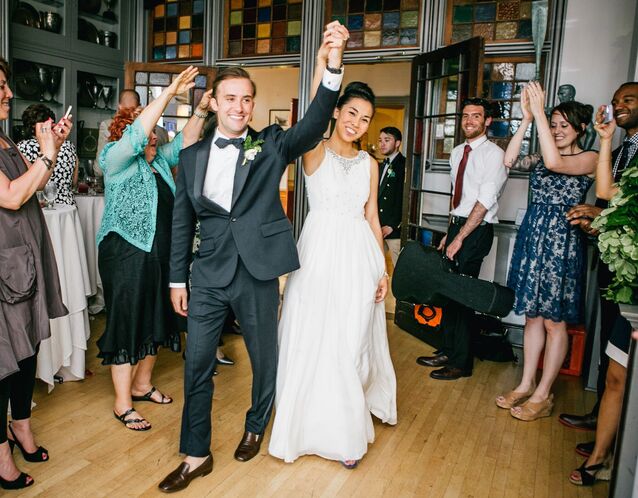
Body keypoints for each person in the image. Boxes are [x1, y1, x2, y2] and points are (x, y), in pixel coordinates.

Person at [160, 21, 348, 493]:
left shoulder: (271, 145)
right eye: (230, 98)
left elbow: (313, 124)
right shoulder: (191, 157)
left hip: (258, 270)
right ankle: (195, 453)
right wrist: (176, 280)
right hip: (206, 275)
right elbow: (183, 222)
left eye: (247, 99)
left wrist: (332, 65)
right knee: (198, 362)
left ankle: (255, 423)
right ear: (215, 102)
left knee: (265, 359)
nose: (239, 107)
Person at [269, 74, 397, 467]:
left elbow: (372, 216)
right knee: (312, 333)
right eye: (350, 113)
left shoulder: (370, 164)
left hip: (359, 255)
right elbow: (312, 114)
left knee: (349, 338)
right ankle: (306, 423)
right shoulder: (314, 150)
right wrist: (326, 64)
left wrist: (383, 270)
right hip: (319, 253)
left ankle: (344, 428)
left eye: (365, 118)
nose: (356, 123)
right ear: (336, 112)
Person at [96, 66, 210, 432]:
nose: (154, 138)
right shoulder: (114, 159)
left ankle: (143, 385)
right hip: (125, 253)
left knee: (158, 319)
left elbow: (186, 141)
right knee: (128, 323)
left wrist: (202, 109)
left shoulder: (158, 159)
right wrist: (171, 90)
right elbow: (136, 137)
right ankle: (122, 402)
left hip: (160, 255)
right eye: (147, 133)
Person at [495, 82, 597, 421]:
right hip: (534, 237)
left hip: (563, 243)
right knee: (532, 317)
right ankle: (525, 383)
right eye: (552, 125)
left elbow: (554, 164)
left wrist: (540, 112)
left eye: (563, 125)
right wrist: (526, 119)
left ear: (582, 128)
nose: (555, 130)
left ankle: (543, 393)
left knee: (555, 322)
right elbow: (508, 160)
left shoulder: (589, 158)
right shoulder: (540, 155)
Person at [0, 56, 72, 490]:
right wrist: (46, 155)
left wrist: (55, 149)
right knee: (4, 360)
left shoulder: (3, 136)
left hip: (21, 259)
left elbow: (35, 182)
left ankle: (21, 425)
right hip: (4, 266)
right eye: (1, 86)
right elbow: (10, 197)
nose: (9, 93)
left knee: (26, 350)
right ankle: (2, 453)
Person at [559, 81, 638, 446]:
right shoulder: (620, 150)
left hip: (632, 267)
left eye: (629, 99)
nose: (620, 105)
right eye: (617, 100)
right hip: (613, 258)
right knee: (609, 340)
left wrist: (600, 212)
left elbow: (620, 203)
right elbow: (612, 202)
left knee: (623, 349)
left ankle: (617, 440)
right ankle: (602, 418)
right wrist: (597, 219)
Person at [416, 98, 507, 380]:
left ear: (487, 121)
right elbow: (457, 197)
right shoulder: (457, 152)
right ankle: (448, 349)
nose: (469, 120)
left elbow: (483, 202)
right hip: (458, 226)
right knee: (448, 291)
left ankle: (461, 363)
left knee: (465, 295)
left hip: (477, 231)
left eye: (476, 116)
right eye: (465, 115)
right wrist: (449, 234)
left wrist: (461, 238)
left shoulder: (494, 155)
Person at [95, 89, 169, 175]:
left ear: (119, 106)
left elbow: (99, 170)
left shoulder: (108, 126)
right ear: (139, 106)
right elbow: (167, 167)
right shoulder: (162, 132)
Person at [17, 104, 78, 205]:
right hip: (68, 206)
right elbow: (74, 182)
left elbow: (23, 185)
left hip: (43, 208)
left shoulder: (23, 147)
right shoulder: (68, 145)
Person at [377, 126, 405, 268]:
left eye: (387, 140)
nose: (382, 144)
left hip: (394, 230)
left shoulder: (404, 165)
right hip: (378, 227)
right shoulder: (381, 165)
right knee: (376, 268)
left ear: (398, 143)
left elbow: (404, 198)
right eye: (380, 140)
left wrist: (392, 225)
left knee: (400, 272)